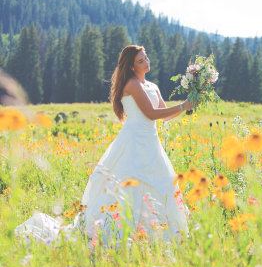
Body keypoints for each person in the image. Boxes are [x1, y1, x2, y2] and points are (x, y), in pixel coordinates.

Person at [16, 45, 193, 246]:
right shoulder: (132, 85)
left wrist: (187, 104)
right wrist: (182, 106)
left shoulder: (152, 86)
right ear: (132, 66)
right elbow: (150, 113)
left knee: (160, 183)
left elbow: (165, 115)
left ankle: (156, 234)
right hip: (133, 143)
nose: (146, 62)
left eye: (146, 58)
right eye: (140, 60)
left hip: (151, 143)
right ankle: (121, 232)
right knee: (128, 185)